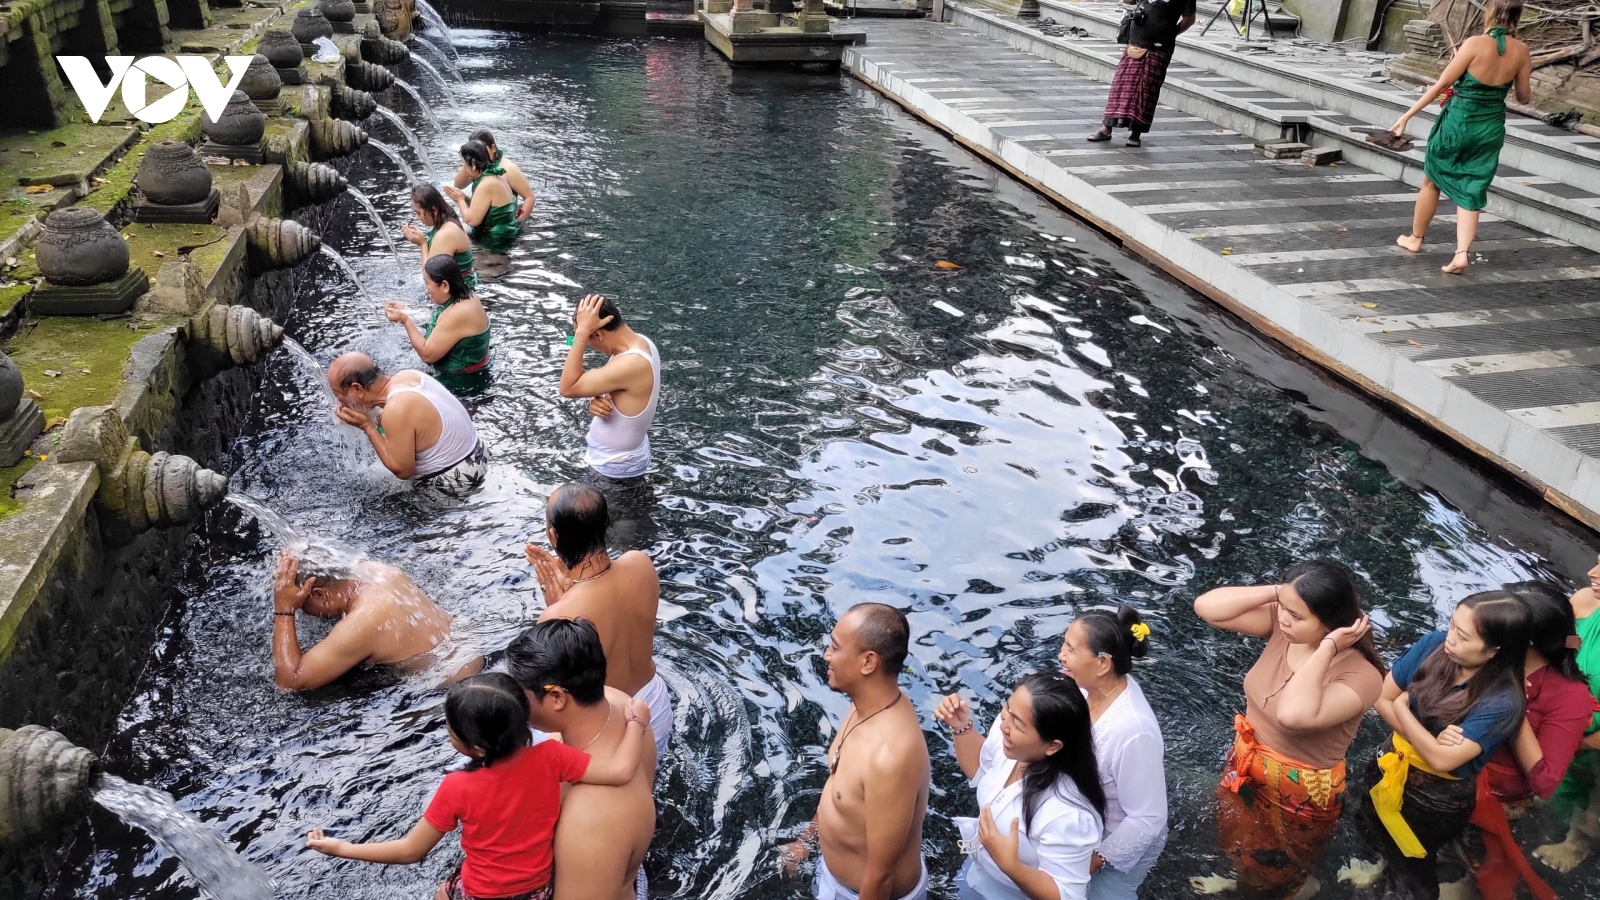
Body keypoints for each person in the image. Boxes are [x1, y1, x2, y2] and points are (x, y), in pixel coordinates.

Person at [305, 672, 649, 900]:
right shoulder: (553, 756)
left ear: (477, 748)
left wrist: (340, 848)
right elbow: (621, 770)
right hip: (538, 892)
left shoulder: (457, 787)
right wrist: (635, 722)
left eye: (453, 731)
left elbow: (412, 851)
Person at [1190, 559, 1385, 900]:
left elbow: (1293, 715)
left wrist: (1326, 649)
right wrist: (1280, 593)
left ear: (1330, 623)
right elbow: (1206, 608)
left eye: (1296, 615)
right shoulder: (1285, 630)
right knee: (1236, 839)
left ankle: (1297, 889)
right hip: (1248, 760)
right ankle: (1244, 879)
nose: (1283, 618)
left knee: (1276, 863)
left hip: (1299, 792)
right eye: (1283, 609)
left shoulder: (1361, 675)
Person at [1353, 591, 1530, 899]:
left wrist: (1402, 709)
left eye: (1462, 637)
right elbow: (1379, 696)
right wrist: (1428, 738)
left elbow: (1442, 762)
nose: (1450, 639)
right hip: (1389, 761)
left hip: (1435, 799)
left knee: (1412, 861)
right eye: (1451, 626)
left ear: (1493, 651)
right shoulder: (1434, 645)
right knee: (1367, 823)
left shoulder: (1502, 700)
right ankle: (1371, 864)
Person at [780, 603, 930, 900]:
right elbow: (839, 783)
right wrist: (806, 841)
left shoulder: (890, 757)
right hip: (837, 878)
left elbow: (881, 876)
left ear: (868, 662)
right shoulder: (864, 706)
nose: (826, 655)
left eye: (835, 648)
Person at [1453, 582, 1589, 900]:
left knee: (1467, 876)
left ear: (1521, 640)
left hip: (1491, 803)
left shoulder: (1568, 697)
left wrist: (1514, 707)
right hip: (1437, 779)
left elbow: (1545, 781)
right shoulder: (1477, 654)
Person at [506, 619, 658, 900]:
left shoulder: (591, 818)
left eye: (520, 695)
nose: (513, 702)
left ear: (557, 698)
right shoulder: (623, 706)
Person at [524, 482, 670, 757]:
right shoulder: (641, 564)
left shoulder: (559, 615)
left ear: (553, 536)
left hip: (610, 724)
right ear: (605, 525)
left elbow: (560, 698)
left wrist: (557, 609)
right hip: (656, 708)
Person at [934, 672, 1107, 900]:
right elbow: (981, 770)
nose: (1004, 724)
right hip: (981, 873)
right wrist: (961, 727)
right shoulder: (1014, 745)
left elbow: (1068, 895)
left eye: (1018, 723)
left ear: (1053, 746)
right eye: (1007, 709)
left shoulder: (1067, 814)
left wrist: (1010, 866)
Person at [1391, 0, 1531, 273]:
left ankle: (1415, 239)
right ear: (1518, 17)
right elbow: (1524, 98)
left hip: (1458, 123)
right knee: (1473, 187)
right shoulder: (1522, 51)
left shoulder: (1474, 44)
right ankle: (1461, 253)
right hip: (1489, 128)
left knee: (1432, 180)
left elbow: (1442, 84)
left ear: (1490, 12)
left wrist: (1407, 116)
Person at [1055, 605, 1166, 900]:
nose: (1061, 656)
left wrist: (1095, 860)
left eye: (1070, 649)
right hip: (1085, 821)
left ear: (1103, 663)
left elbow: (1148, 819)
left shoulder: (1133, 731)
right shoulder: (1084, 689)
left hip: (1117, 841)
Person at [269, 550, 452, 690]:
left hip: (442, 687)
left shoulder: (362, 621)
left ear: (320, 595)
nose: (302, 610)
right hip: (462, 647)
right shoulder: (375, 570)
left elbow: (291, 680)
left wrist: (284, 609)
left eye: (300, 603)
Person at [327, 352, 487, 495]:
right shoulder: (408, 376)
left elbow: (403, 471)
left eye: (338, 394)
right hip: (478, 455)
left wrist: (367, 427)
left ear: (358, 389)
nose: (338, 401)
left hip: (457, 480)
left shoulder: (396, 409)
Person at [1535, 555, 1600, 875]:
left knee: (1594, 789)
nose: (1592, 572)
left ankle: (1578, 842)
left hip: (1594, 739)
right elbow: (1571, 642)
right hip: (1570, 716)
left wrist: (1583, 744)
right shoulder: (1587, 600)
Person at [560, 294, 661, 483]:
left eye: (586, 340)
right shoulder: (640, 342)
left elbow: (567, 388)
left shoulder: (632, 363)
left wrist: (581, 335)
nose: (584, 344)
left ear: (597, 334)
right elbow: (619, 387)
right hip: (616, 462)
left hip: (616, 471)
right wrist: (594, 398)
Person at [1088, 0, 1196, 148]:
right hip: (1134, 43)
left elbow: (1189, 19)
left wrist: (1170, 32)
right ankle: (1107, 128)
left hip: (1159, 48)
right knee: (1119, 88)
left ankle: (1135, 133)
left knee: (1145, 92)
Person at [385, 255, 491, 396]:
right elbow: (441, 322)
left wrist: (405, 320)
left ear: (445, 286)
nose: (426, 288)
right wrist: (406, 310)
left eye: (427, 283)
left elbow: (427, 355)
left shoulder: (459, 313)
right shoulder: (466, 297)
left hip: (461, 384)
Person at [444, 140, 520, 254]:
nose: (463, 169)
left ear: (473, 165)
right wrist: (464, 198)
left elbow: (471, 220)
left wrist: (459, 200)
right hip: (505, 236)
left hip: (495, 242)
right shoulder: (496, 177)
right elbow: (481, 209)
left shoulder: (486, 184)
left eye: (463, 164)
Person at [402, 183, 478, 291]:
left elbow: (429, 277)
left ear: (434, 210)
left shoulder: (445, 234)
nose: (417, 218)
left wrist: (422, 244)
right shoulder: (448, 220)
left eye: (418, 213)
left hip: (459, 293)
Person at [453, 128, 535, 221]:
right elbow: (458, 185)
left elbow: (529, 197)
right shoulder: (476, 166)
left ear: (493, 148)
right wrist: (469, 164)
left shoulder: (508, 169)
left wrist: (519, 221)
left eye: (482, 149)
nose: (479, 152)